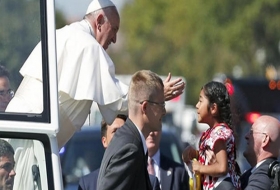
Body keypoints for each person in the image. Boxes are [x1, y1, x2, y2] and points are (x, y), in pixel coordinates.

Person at [5, 0, 185, 149]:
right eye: (114, 29)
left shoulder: (60, 34)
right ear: (99, 21)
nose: (114, 39)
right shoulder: (89, 46)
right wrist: (155, 94)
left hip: (17, 126)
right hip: (32, 139)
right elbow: (117, 99)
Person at [97, 70, 166, 190]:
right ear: (145, 107)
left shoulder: (129, 140)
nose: (164, 112)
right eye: (161, 105)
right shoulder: (130, 148)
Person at [182, 81, 240, 190]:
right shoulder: (210, 133)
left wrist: (200, 168)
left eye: (200, 101)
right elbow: (211, 158)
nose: (197, 105)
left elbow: (222, 167)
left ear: (213, 108)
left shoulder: (219, 134)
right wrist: (194, 154)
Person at [78, 114, 160, 190]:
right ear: (104, 141)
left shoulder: (150, 183)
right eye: (115, 131)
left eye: (124, 131)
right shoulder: (87, 184)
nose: (121, 135)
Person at [240, 115, 280, 190]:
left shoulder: (264, 176)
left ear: (265, 140)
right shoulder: (257, 172)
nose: (246, 136)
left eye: (251, 132)